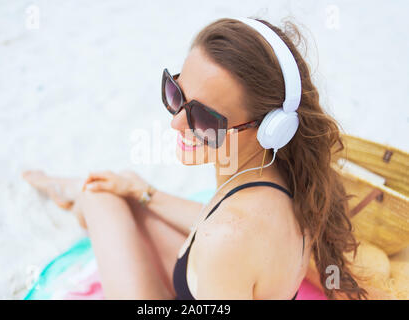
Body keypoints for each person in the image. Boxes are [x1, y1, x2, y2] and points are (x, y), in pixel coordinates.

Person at [23, 17, 367, 300]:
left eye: (204, 119)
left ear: (270, 130)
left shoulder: (227, 239)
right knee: (119, 193)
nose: (176, 122)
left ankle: (70, 193)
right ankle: (72, 192)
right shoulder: (282, 176)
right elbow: (217, 226)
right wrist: (147, 193)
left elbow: (225, 237)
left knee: (99, 198)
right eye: (176, 93)